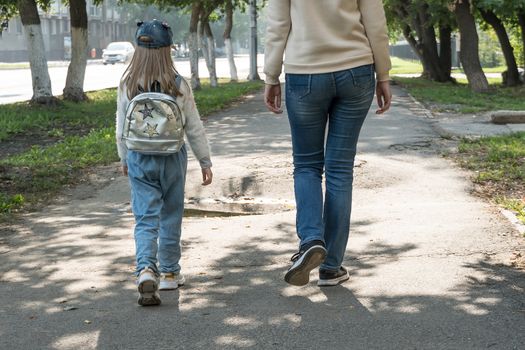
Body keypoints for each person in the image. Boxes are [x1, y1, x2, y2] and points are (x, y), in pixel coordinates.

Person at [263, 0, 392, 287]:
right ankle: (331, 266)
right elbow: (375, 22)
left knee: (307, 165)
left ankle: (310, 240)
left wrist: (271, 76)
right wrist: (383, 73)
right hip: (356, 70)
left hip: (305, 72)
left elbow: (278, 25)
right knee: (340, 170)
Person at [116, 19, 213, 306]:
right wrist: (204, 159)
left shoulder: (128, 83)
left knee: (145, 217)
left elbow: (122, 125)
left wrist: (123, 157)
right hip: (172, 157)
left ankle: (146, 268)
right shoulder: (179, 83)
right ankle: (170, 273)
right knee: (171, 213)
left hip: (139, 156)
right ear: (168, 50)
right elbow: (193, 125)